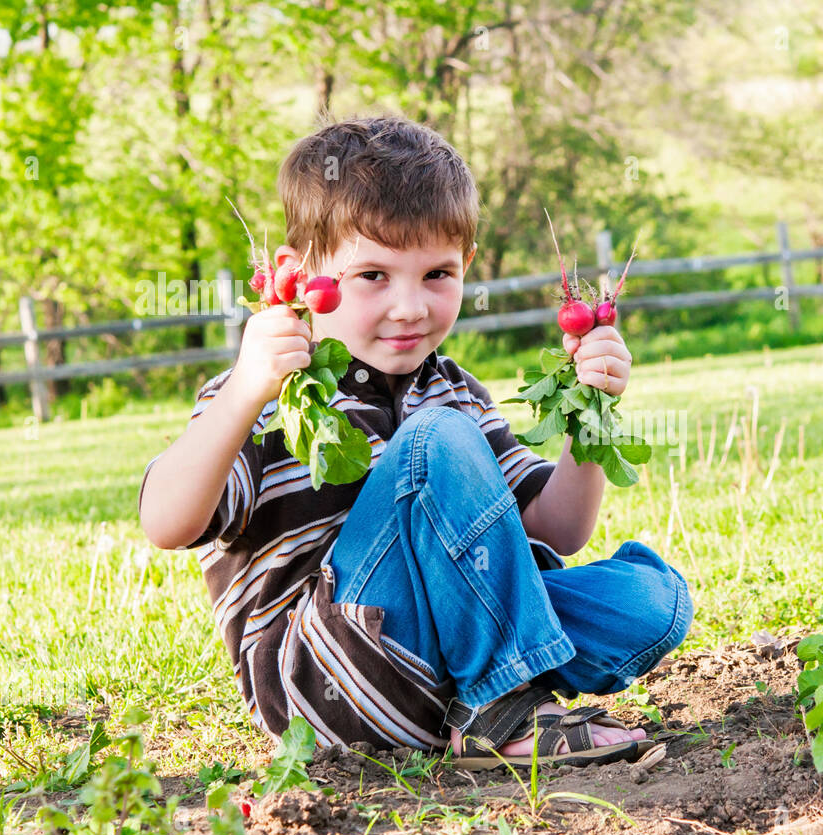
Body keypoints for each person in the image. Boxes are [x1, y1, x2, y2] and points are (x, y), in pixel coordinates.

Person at [137, 113, 694, 768]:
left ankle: (481, 701)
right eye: (372, 276)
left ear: (468, 268)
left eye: (437, 274)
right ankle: (504, 706)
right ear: (300, 273)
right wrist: (241, 392)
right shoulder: (267, 396)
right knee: (436, 439)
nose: (410, 306)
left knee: (654, 598)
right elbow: (166, 522)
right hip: (328, 684)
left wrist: (588, 409)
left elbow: (558, 527)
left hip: (440, 672)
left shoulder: (455, 391)